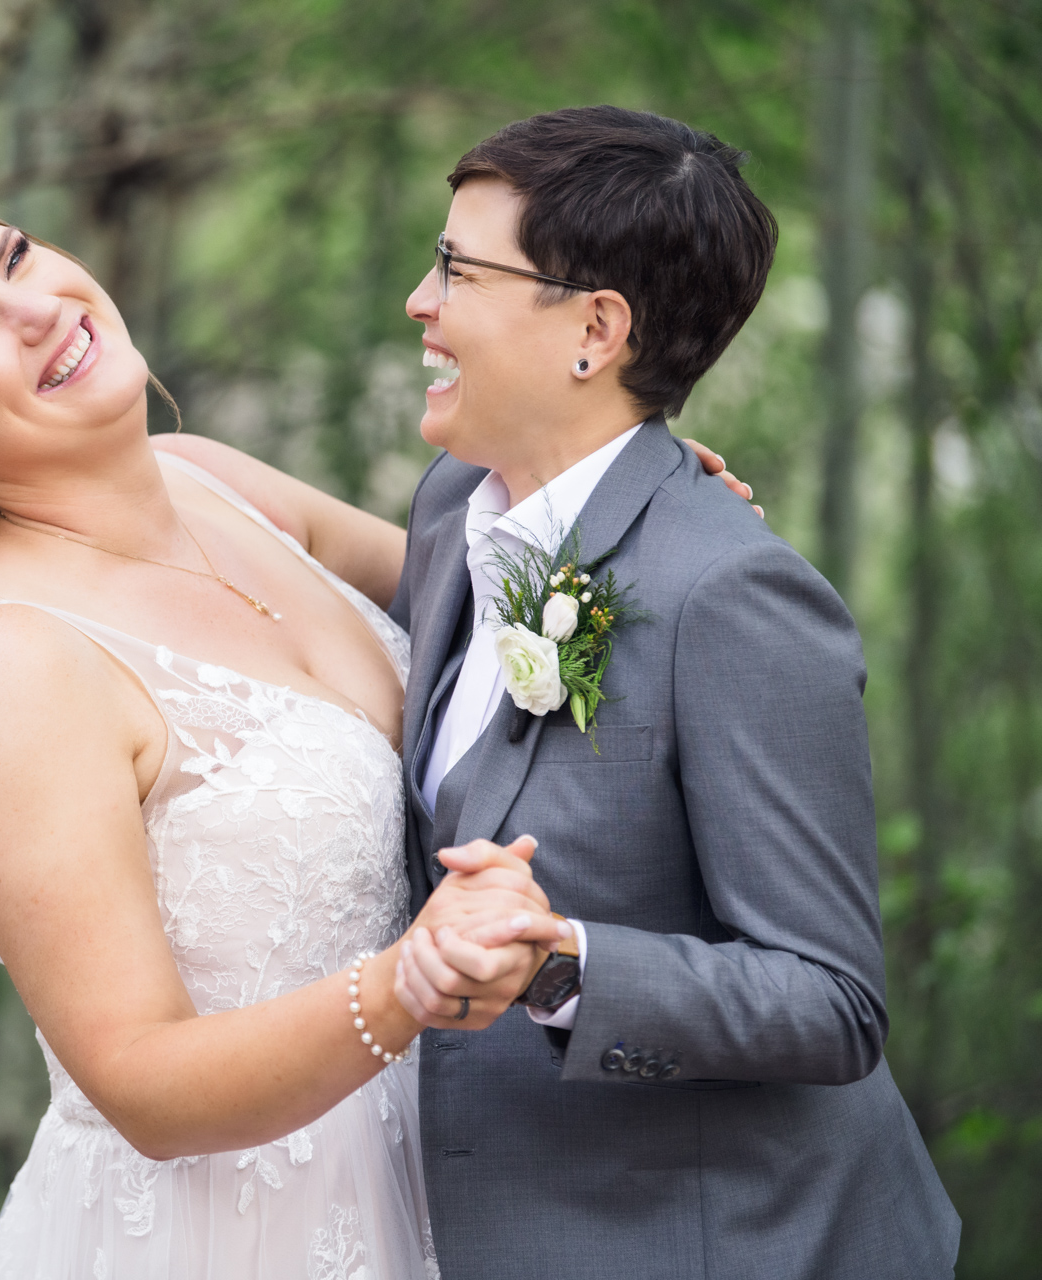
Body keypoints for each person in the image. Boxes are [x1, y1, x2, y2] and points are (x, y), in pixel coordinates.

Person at [0, 182, 751, 1277]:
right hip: (235, 1230)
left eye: (15, 258)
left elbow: (498, 586)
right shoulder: (16, 661)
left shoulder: (213, 482)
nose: (37, 308)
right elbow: (142, 1080)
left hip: (458, 1173)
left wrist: (634, 501)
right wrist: (406, 986)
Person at [356, 106, 959, 1277]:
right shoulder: (449, 505)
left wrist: (562, 960)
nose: (420, 304)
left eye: (456, 269)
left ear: (595, 328)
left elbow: (832, 1001)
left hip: (731, 1243)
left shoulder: (735, 595)